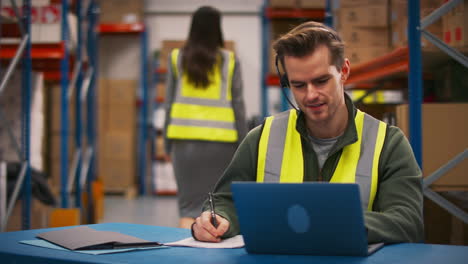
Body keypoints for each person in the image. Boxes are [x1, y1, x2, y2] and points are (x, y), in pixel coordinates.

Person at [191, 21, 424, 243]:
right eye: (299, 85)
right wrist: (217, 220)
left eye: (321, 81)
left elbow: (408, 222)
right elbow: (224, 201)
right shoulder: (262, 137)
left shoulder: (388, 143)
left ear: (343, 71)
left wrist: (335, 222)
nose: (310, 95)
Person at [164, 6, 247, 229]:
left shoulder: (176, 58)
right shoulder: (229, 61)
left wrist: (166, 142)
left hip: (184, 145)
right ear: (217, 28)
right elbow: (238, 105)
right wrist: (244, 144)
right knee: (219, 207)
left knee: (188, 209)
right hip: (223, 145)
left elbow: (169, 104)